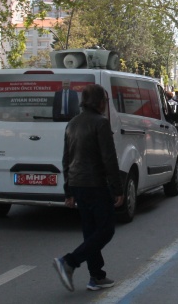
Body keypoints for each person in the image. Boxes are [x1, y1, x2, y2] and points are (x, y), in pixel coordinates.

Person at [53, 84, 124, 292]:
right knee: (106, 230)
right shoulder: (100, 123)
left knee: (91, 231)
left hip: (77, 183)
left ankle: (97, 276)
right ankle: (69, 262)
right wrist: (117, 188)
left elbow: (66, 159)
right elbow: (109, 159)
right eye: (105, 100)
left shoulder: (72, 124)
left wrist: (68, 190)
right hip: (96, 184)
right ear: (100, 102)